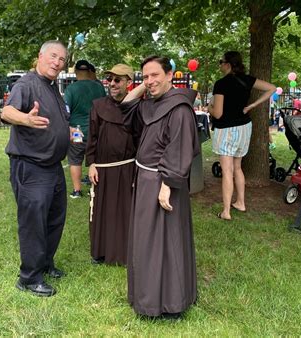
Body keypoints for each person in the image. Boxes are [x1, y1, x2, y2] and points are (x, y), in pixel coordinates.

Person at [121, 56, 200, 319]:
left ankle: (171, 303)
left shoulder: (179, 109)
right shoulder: (153, 104)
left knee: (167, 242)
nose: (150, 81)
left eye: (156, 75)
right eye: (145, 76)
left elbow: (180, 147)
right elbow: (124, 106)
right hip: (145, 180)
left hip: (163, 182)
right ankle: (148, 298)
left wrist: (167, 183)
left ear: (170, 74)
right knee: (148, 240)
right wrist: (147, 86)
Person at [1, 40, 69, 297]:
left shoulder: (51, 87)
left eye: (62, 60)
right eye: (53, 56)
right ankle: (29, 278)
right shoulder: (27, 84)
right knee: (33, 223)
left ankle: (45, 262)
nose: (57, 62)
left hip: (52, 166)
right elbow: (7, 112)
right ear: (40, 56)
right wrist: (26, 119)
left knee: (55, 217)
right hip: (31, 165)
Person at [208, 51, 276, 220]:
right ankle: (240, 202)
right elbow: (272, 88)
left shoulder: (221, 84)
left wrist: (209, 107)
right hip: (244, 127)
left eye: (221, 62)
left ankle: (226, 211)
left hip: (226, 130)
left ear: (228, 64)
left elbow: (217, 114)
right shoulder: (247, 79)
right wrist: (252, 105)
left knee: (227, 170)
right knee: (237, 167)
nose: (220, 65)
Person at [86, 63, 136, 266]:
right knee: (102, 210)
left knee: (124, 210)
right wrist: (91, 163)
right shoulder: (98, 105)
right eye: (110, 79)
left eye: (118, 79)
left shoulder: (136, 107)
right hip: (103, 169)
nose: (112, 83)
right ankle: (101, 252)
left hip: (127, 167)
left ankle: (124, 252)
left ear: (129, 83)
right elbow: (92, 137)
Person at [65, 60, 106, 198]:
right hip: (96, 129)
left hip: (77, 130)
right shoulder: (98, 87)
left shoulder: (71, 89)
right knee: (95, 158)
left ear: (76, 72)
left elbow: (66, 110)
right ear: (89, 72)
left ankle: (77, 191)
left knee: (75, 159)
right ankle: (93, 187)